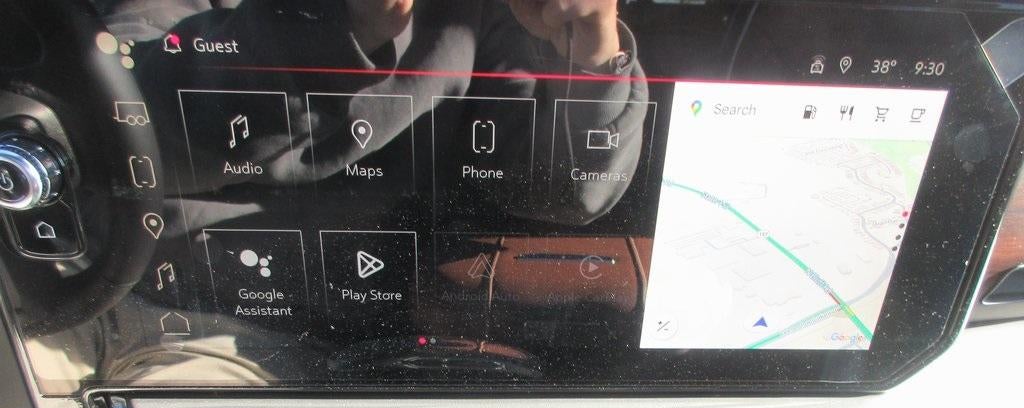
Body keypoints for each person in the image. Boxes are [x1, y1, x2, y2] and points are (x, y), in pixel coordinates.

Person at [100, 0, 649, 225]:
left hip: (419, 327)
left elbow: (563, 191)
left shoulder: (492, 13)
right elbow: (127, 135)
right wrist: (333, 25)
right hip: (205, 309)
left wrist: (593, 55)